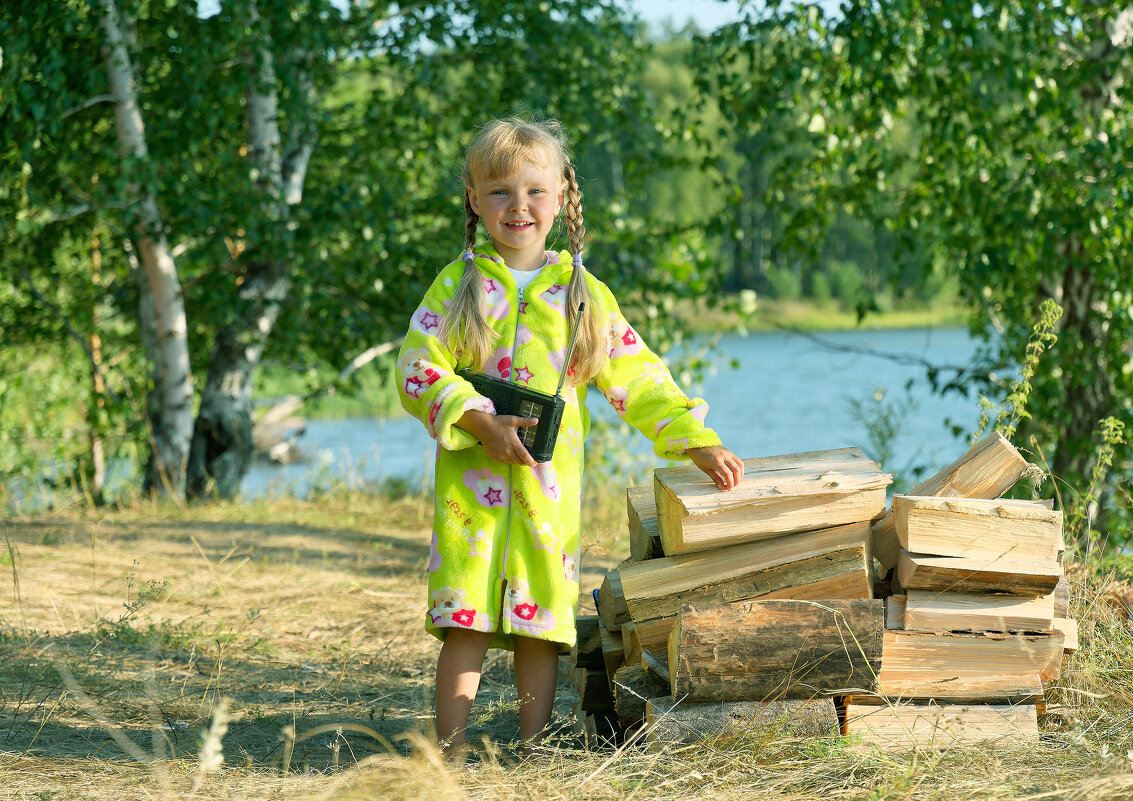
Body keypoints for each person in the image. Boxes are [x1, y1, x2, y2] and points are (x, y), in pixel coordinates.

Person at [395, 117, 744, 756]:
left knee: (538, 624)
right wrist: (475, 419)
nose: (518, 206)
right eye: (499, 191)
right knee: (464, 623)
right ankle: (443, 755)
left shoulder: (582, 295)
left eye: (534, 191)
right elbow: (417, 367)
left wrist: (696, 440)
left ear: (562, 196)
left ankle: (532, 749)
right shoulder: (458, 285)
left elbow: (638, 378)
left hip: (546, 492)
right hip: (469, 494)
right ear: (474, 198)